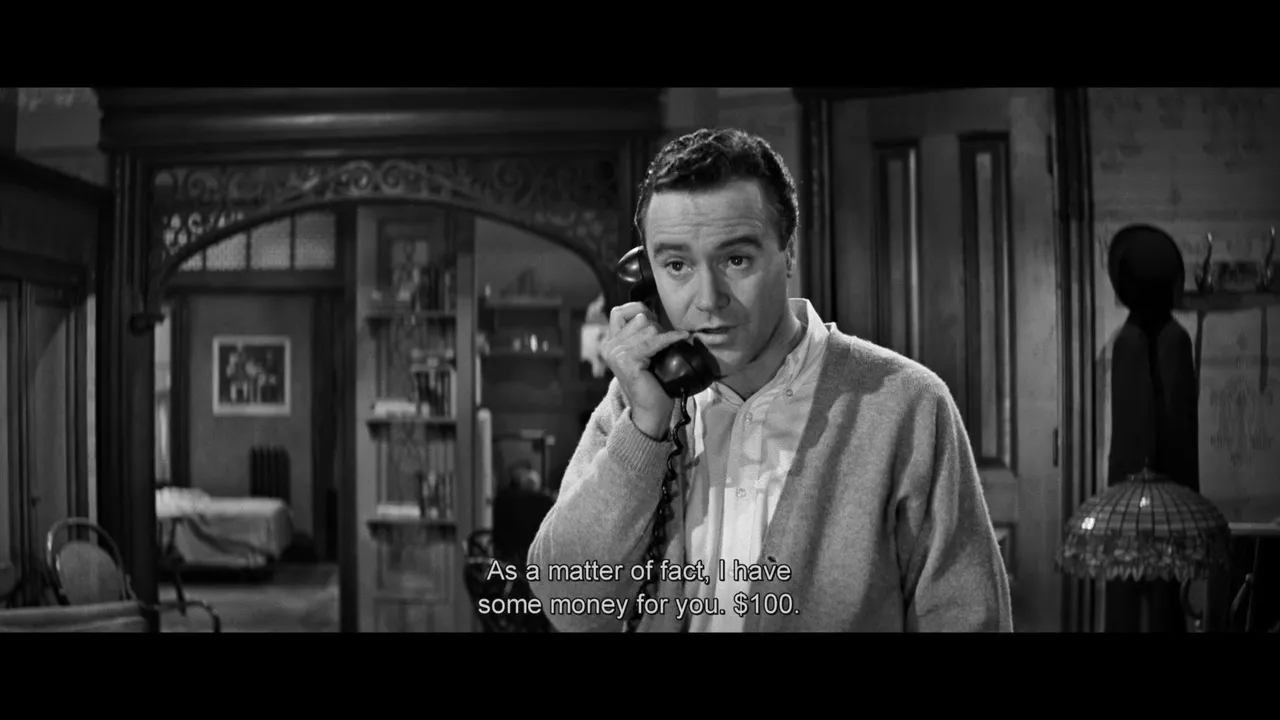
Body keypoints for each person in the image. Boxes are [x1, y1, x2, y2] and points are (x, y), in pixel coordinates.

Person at [526, 127, 1012, 632]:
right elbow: (567, 605)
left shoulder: (907, 406)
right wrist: (645, 430)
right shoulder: (638, 401)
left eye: (736, 259)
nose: (707, 299)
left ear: (789, 252)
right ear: (645, 274)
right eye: (676, 265)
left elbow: (968, 619)